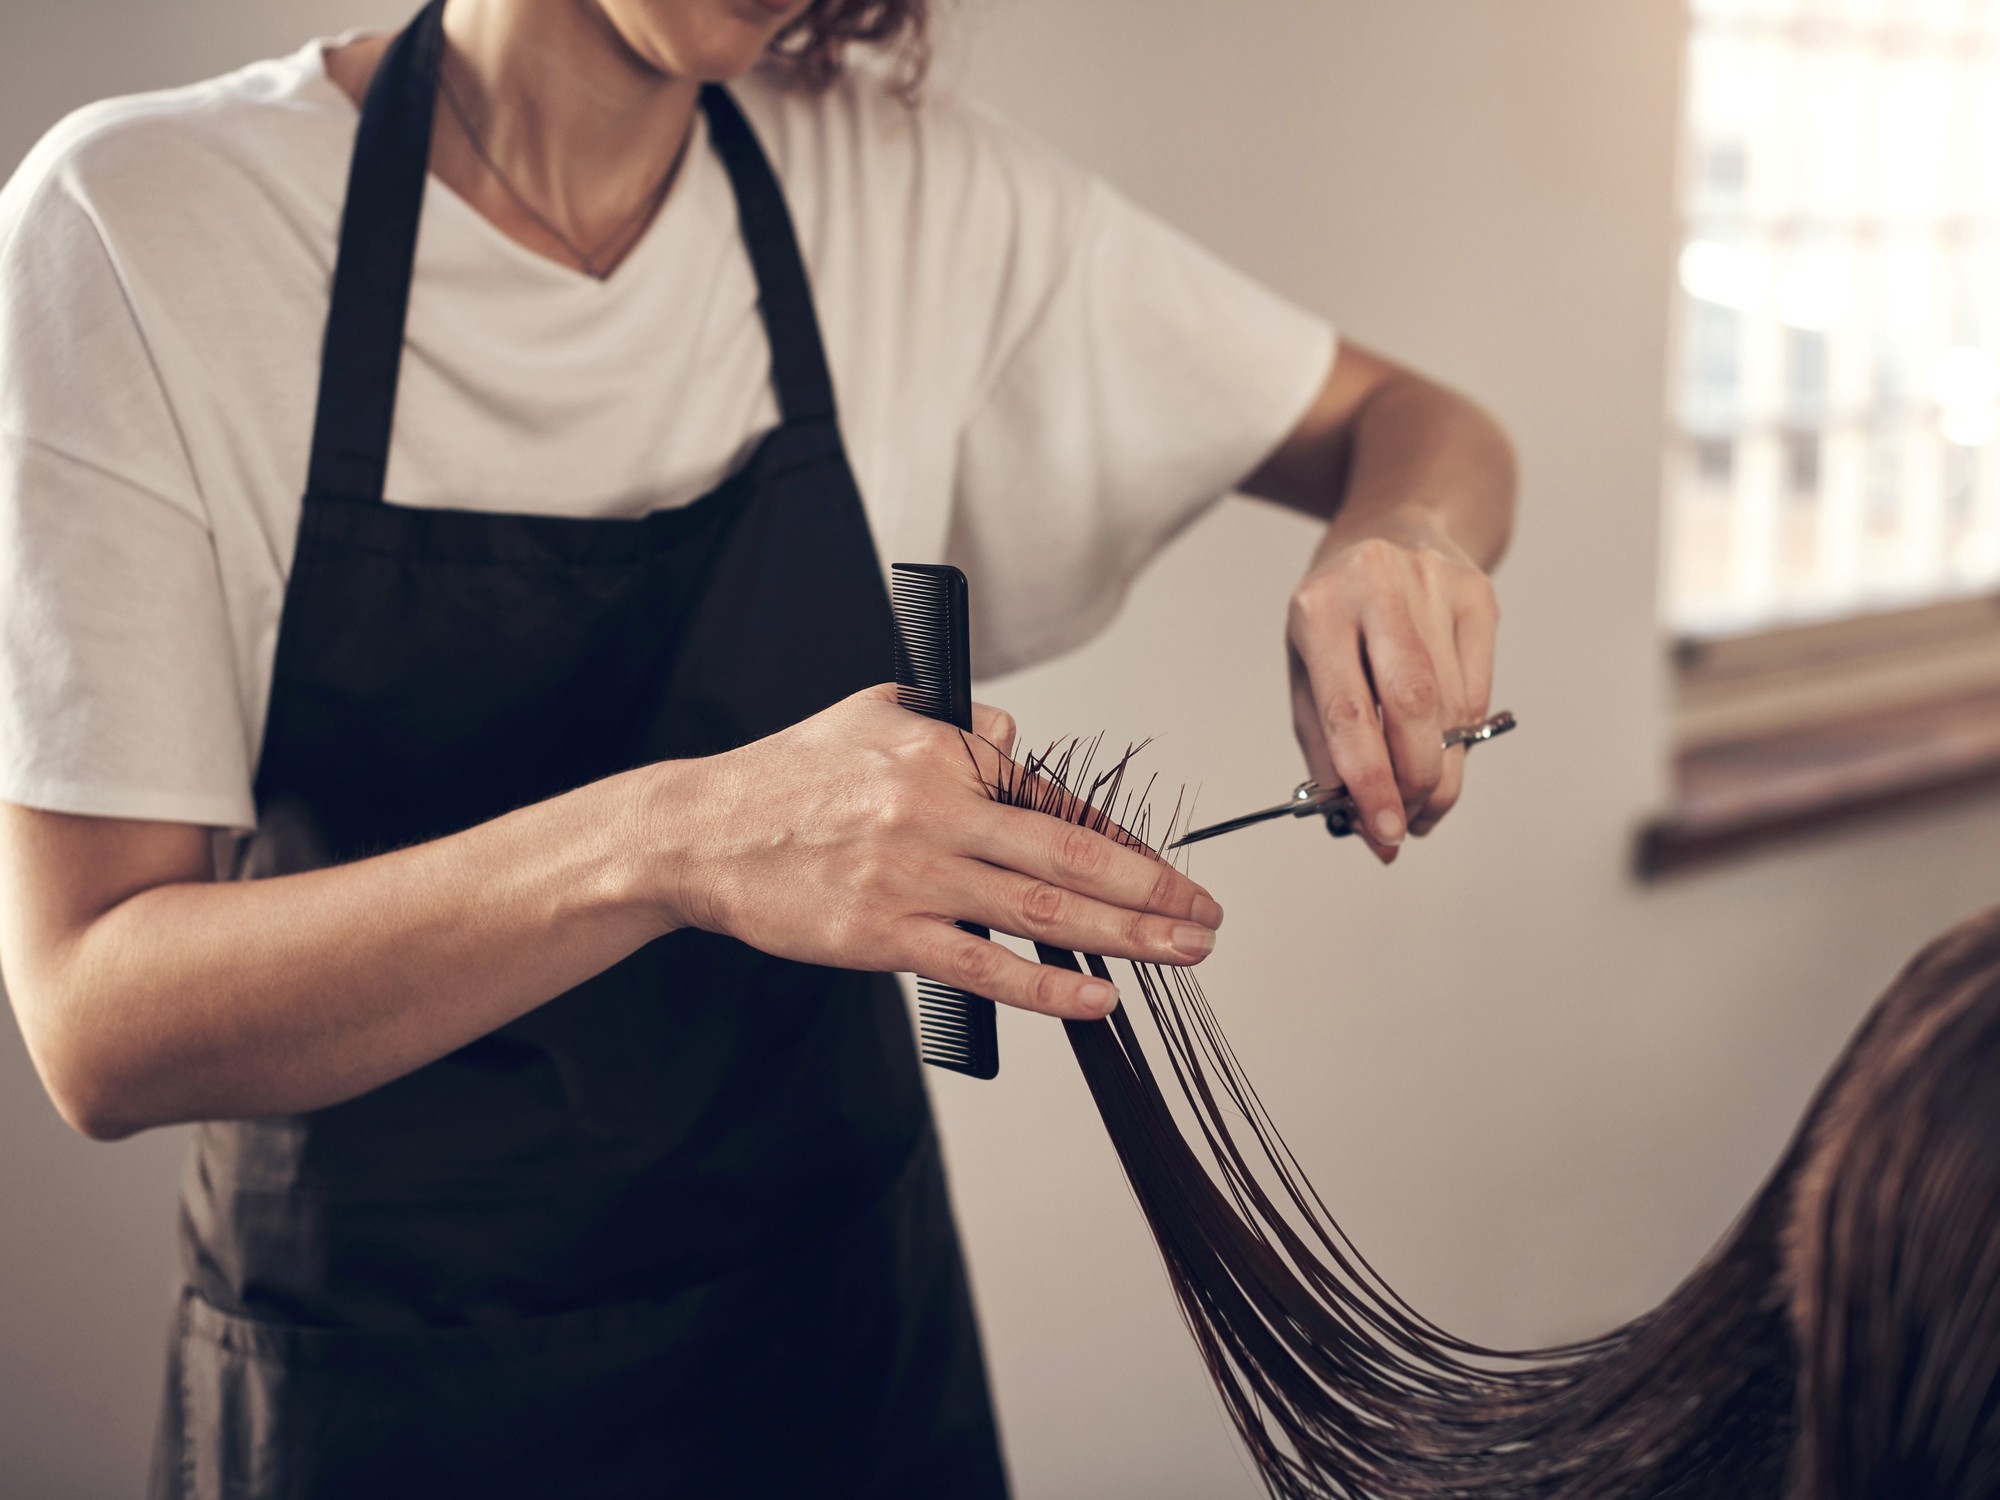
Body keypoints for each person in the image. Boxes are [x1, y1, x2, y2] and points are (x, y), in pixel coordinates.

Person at [0, 0, 1515, 1493]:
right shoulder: (138, 227)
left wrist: (1404, 537)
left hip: (844, 1351)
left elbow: (1421, 421)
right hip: (391, 1390)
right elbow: (97, 1019)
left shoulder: (911, 198)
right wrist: (675, 844)